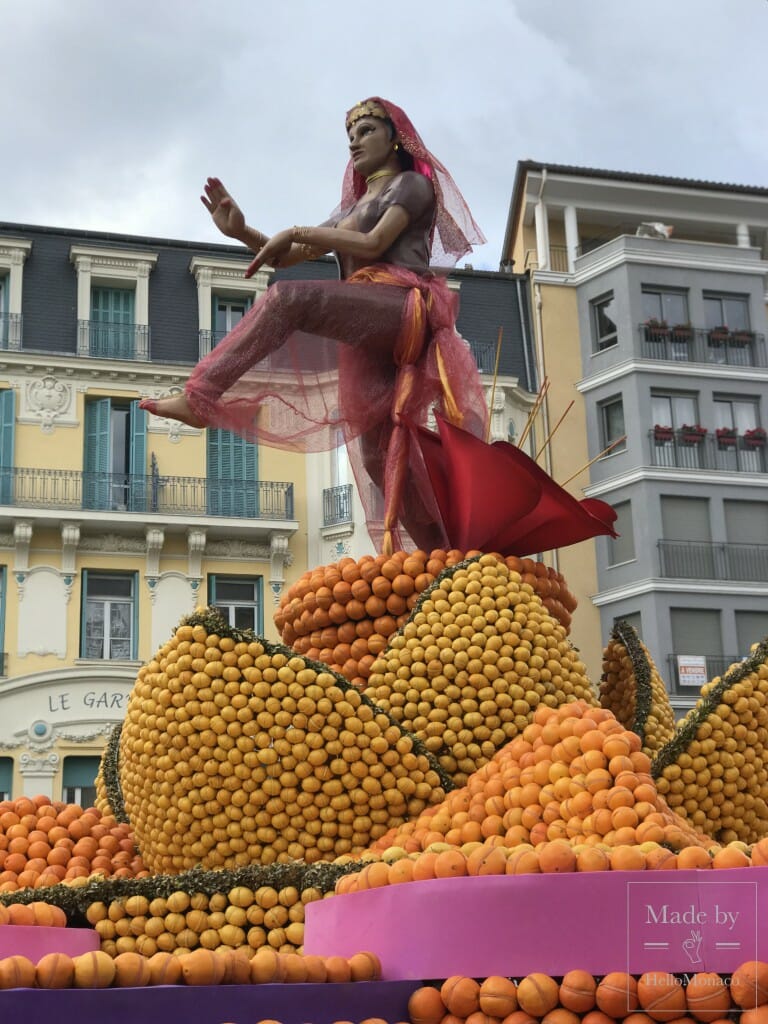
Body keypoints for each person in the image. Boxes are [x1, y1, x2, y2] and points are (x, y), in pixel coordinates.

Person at [140, 97, 488, 553]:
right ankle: (443, 555)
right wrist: (242, 232)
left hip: (402, 306)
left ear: (395, 137)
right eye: (350, 135)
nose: (354, 142)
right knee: (375, 454)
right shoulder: (351, 205)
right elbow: (283, 253)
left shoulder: (410, 187)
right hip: (368, 321)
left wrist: (301, 232)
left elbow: (373, 241)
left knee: (288, 299)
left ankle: (200, 397)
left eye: (366, 131)